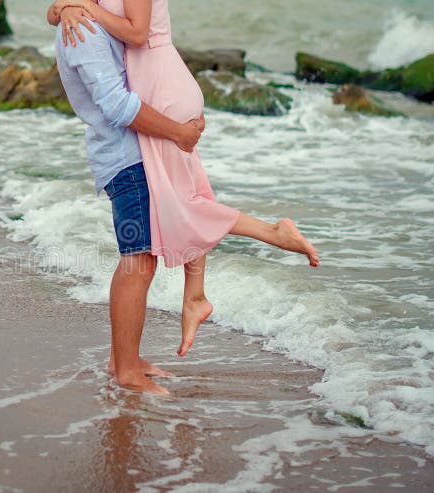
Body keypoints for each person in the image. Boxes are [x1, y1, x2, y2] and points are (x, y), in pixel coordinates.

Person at [48, 0, 319, 360]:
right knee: (179, 210)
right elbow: (58, 13)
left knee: (153, 241)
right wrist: (64, 10)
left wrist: (80, 9)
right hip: (152, 110)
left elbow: (137, 35)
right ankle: (191, 301)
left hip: (158, 100)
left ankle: (143, 347)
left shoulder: (90, 13)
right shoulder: (83, 16)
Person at [53, 12, 205, 395]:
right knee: (137, 259)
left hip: (136, 155)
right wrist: (179, 134)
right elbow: (117, 106)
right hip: (125, 161)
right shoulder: (82, 31)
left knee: (142, 259)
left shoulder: (84, 18)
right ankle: (125, 372)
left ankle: (125, 359)